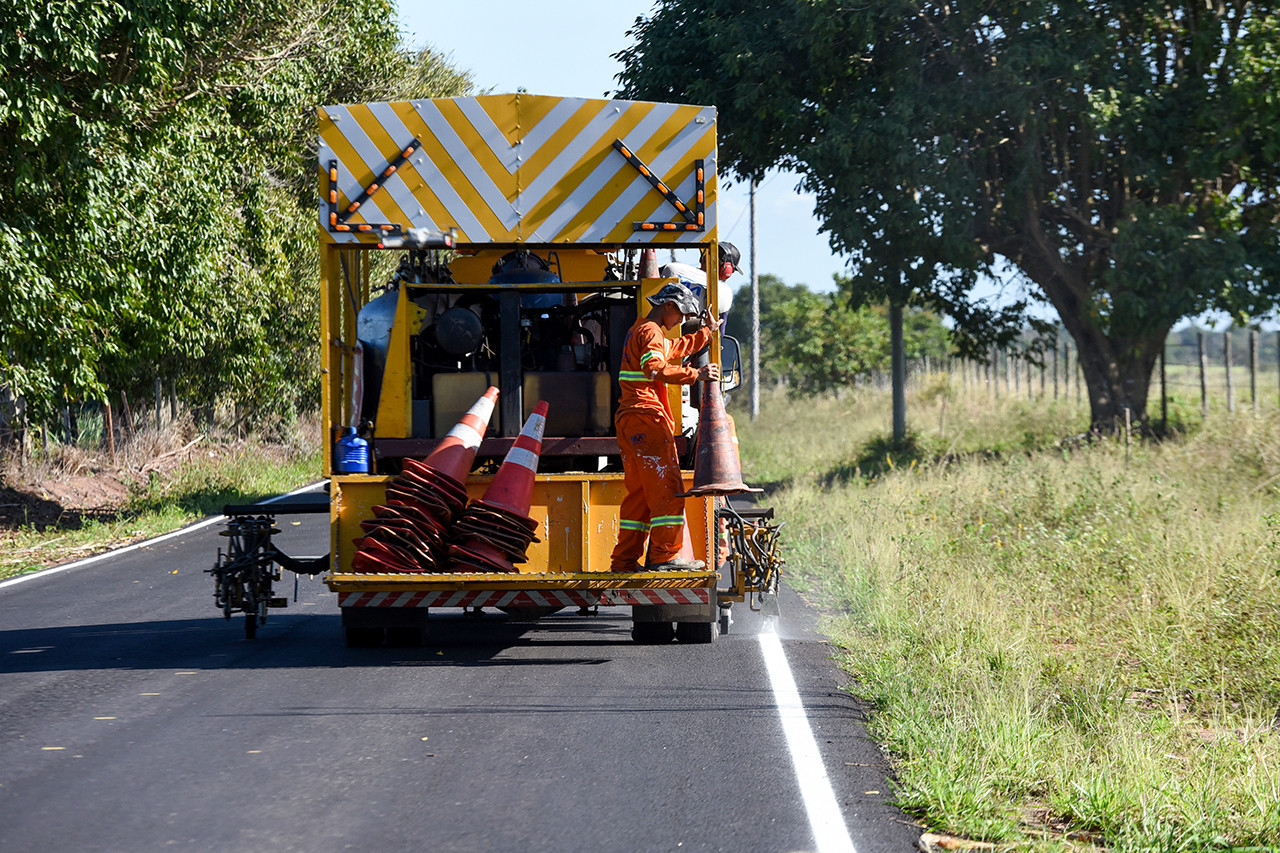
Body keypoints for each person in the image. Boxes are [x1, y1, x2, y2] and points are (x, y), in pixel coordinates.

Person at [611, 281, 720, 572]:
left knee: (640, 498)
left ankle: (624, 561)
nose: (681, 321)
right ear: (668, 306)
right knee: (668, 490)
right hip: (647, 418)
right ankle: (665, 556)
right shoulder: (651, 331)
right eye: (681, 315)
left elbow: (674, 348)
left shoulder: (641, 330)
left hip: (630, 420)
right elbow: (656, 368)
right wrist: (696, 374)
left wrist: (707, 333)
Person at [658, 241, 740, 324]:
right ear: (727, 270)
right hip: (693, 336)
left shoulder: (672, 268)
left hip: (657, 329)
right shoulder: (725, 292)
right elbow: (719, 331)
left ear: (704, 258)